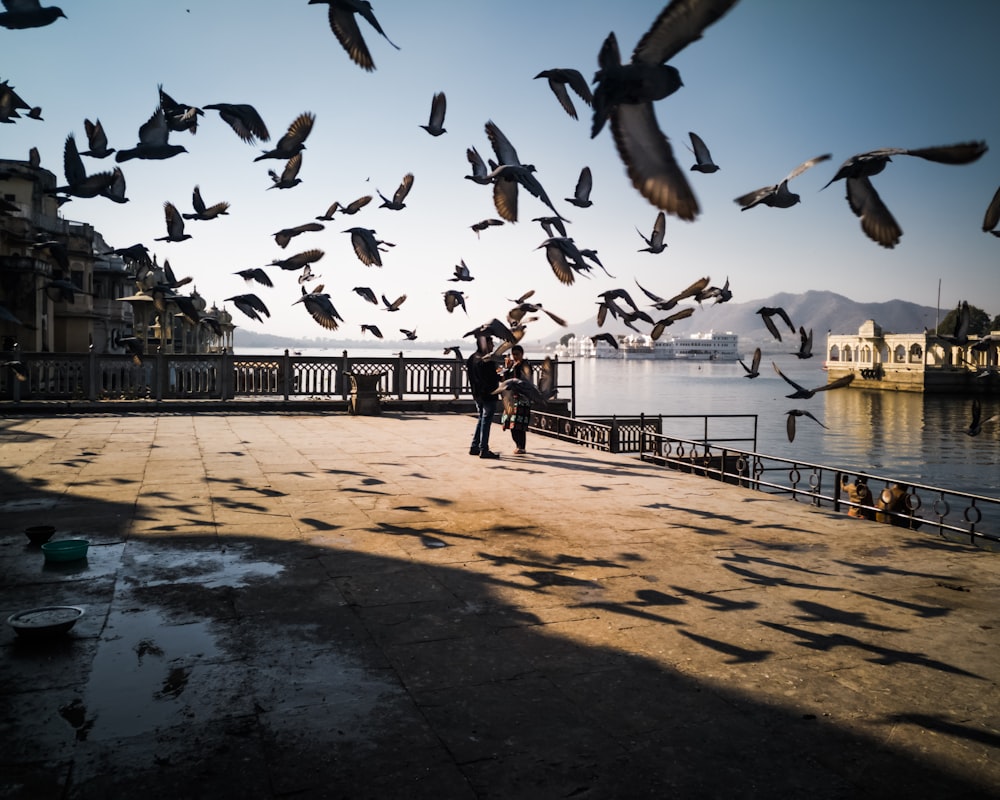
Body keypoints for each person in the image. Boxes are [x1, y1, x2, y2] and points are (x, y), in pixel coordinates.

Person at [466, 334, 501, 459]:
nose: (493, 346)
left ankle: (474, 446)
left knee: (481, 419)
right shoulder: (487, 359)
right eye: (491, 343)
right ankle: (483, 449)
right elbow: (492, 377)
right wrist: (503, 374)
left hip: (477, 394)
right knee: (486, 421)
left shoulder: (472, 358)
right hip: (489, 394)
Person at [500, 345, 532, 454]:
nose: (515, 357)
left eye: (517, 354)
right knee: (511, 423)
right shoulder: (513, 365)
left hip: (522, 399)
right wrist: (507, 368)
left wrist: (516, 367)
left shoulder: (526, 365)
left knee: (519, 424)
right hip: (511, 398)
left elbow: (522, 380)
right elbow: (506, 379)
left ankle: (521, 446)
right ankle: (517, 445)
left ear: (522, 354)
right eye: (514, 355)